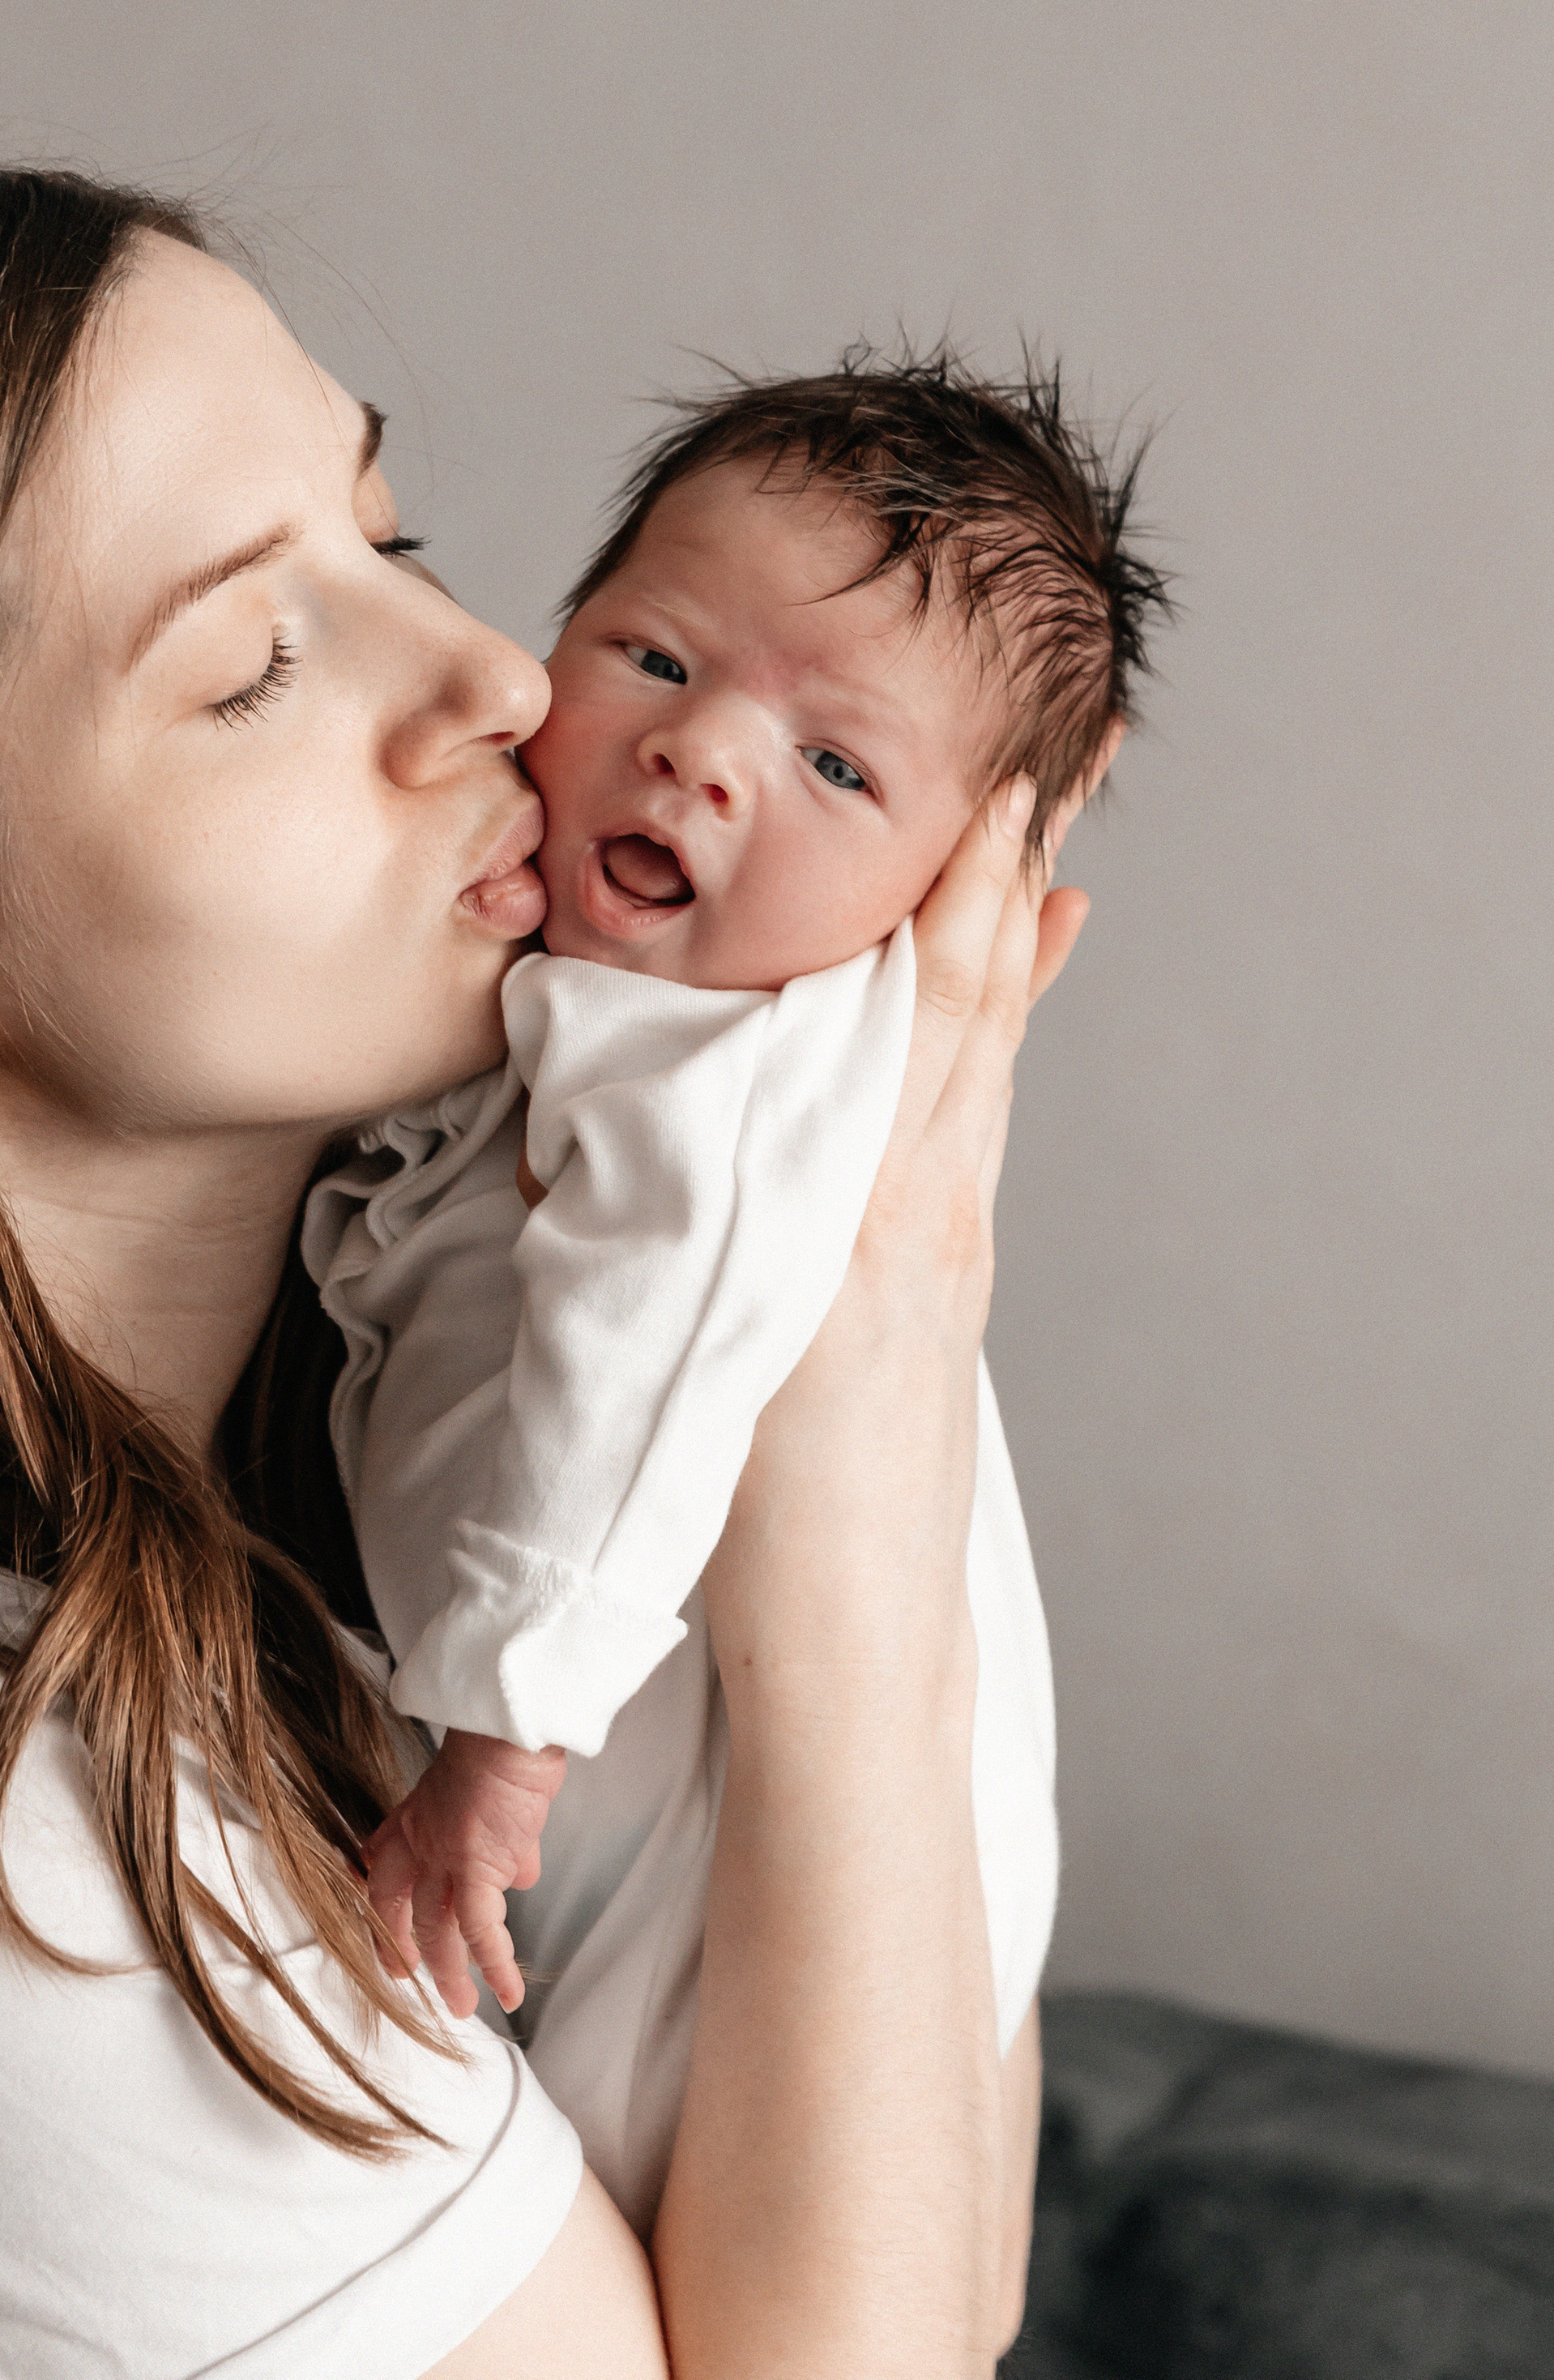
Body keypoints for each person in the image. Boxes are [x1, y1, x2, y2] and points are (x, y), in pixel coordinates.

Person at [0, 164, 1091, 2378]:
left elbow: (937, 2252)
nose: (493, 674)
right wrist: (865, 1404)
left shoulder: (371, 1414)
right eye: (256, 661)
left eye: (396, 536)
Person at [310, 356, 1158, 2227]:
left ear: (960, 887)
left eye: (835, 766)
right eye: (656, 659)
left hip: (682, 1808)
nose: (702, 754)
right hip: (659, 1750)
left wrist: (500, 1745)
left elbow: (643, 1365)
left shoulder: (734, 1075)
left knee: (632, 2166)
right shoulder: (600, 1008)